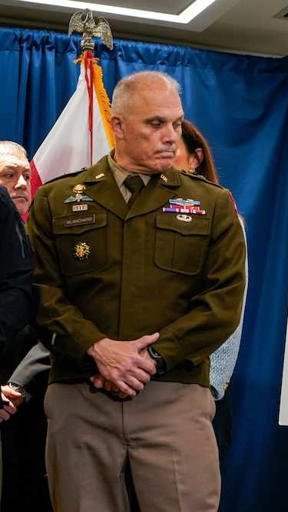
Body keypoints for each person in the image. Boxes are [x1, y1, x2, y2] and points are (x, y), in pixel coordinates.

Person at [26, 71, 246, 511]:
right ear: (119, 125)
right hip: (81, 393)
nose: (171, 136)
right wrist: (98, 349)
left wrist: (150, 358)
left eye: (176, 124)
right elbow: (40, 291)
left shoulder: (212, 204)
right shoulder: (56, 200)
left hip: (173, 394)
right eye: (155, 123)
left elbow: (223, 303)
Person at [173, 118, 247, 467]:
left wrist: (211, 385)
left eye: (172, 149)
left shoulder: (220, 216)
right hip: (144, 391)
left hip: (197, 390)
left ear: (195, 158)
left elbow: (228, 307)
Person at [0, 141, 50, 511]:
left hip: (32, 396)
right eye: (8, 175)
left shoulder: (53, 242)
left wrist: (18, 383)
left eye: (25, 175)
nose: (20, 184)